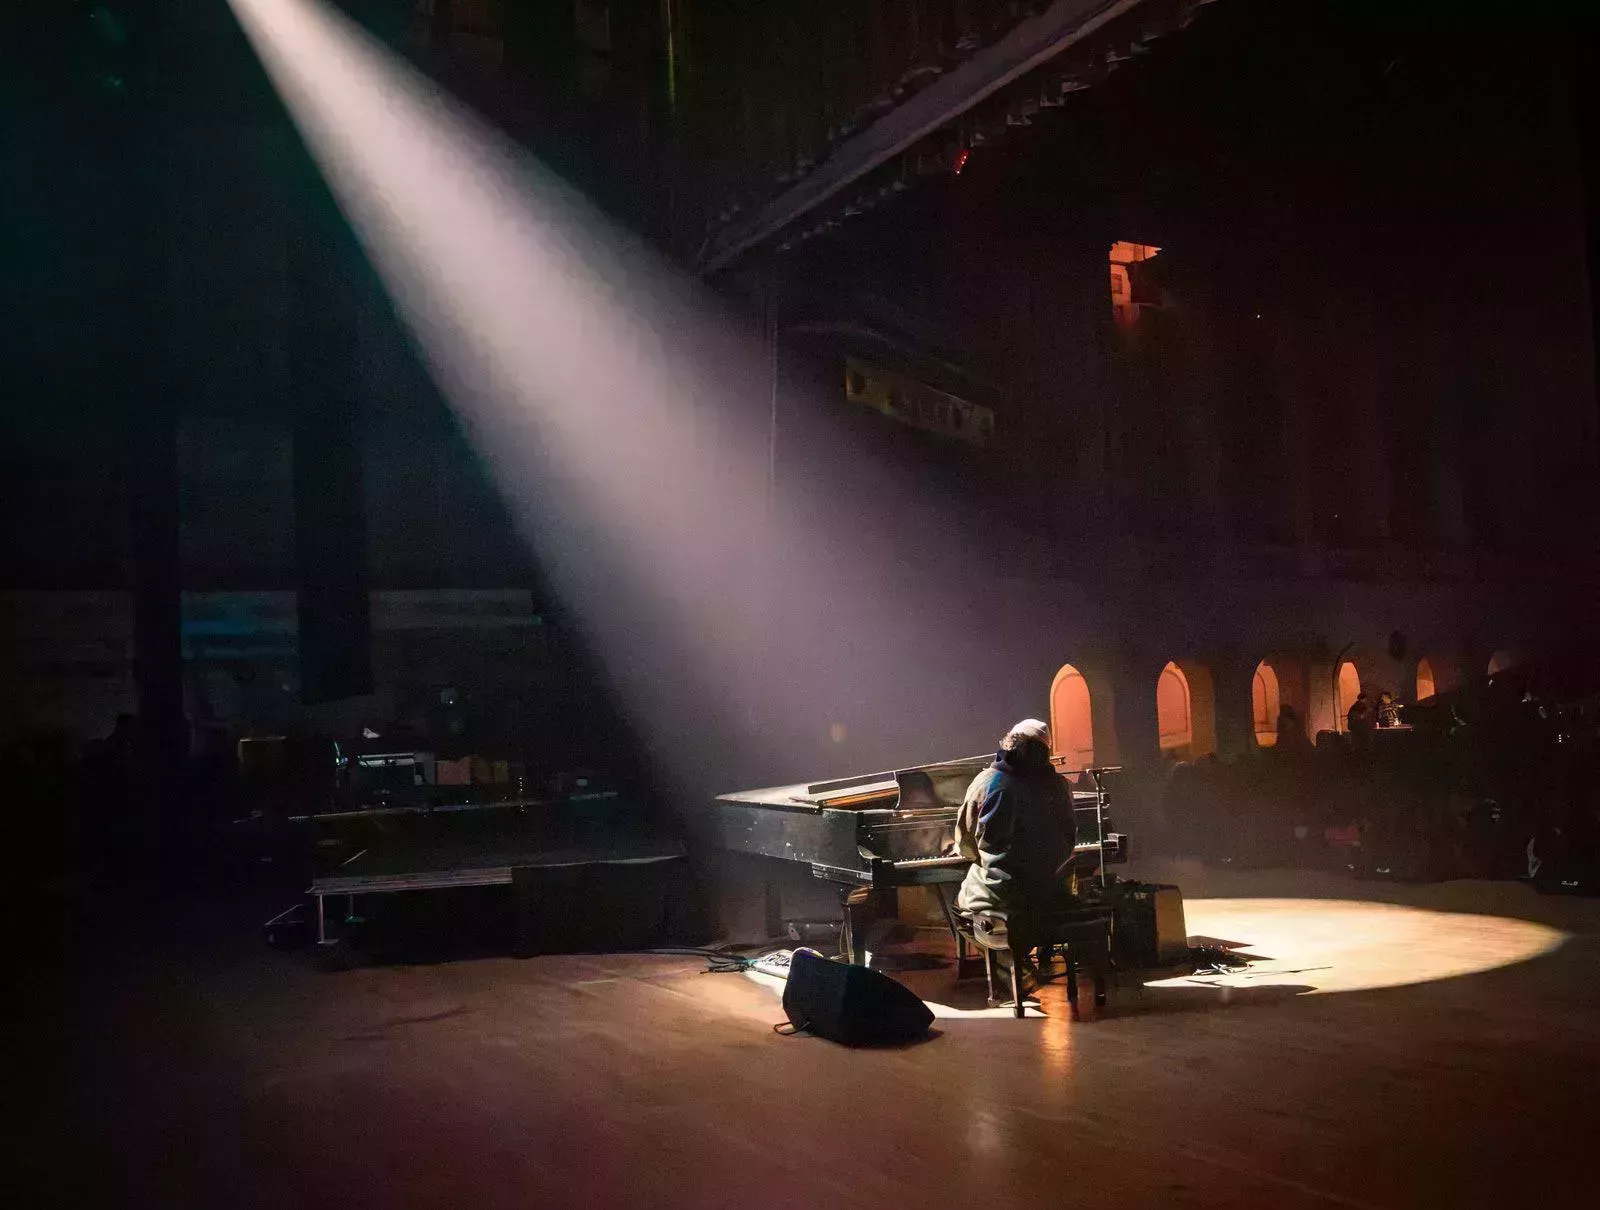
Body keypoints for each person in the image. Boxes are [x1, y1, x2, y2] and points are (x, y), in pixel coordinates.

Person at [953, 718, 1077, 1000]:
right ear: (1045, 751)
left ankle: (1013, 968)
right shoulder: (1059, 785)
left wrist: (980, 859)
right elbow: (1070, 838)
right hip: (1049, 892)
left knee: (961, 908)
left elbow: (964, 840)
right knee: (1033, 903)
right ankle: (1019, 961)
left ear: (1009, 742)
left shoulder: (988, 781)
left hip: (1006, 894)